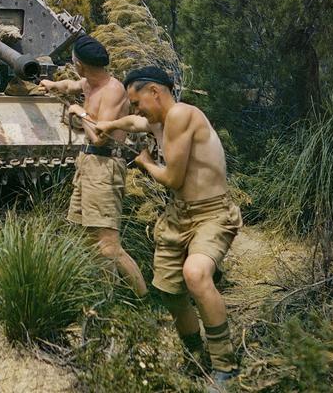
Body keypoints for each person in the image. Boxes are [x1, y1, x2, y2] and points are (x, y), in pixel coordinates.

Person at [95, 65, 242, 390]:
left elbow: (173, 178)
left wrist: (146, 162)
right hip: (179, 216)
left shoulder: (181, 116)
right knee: (171, 291)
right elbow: (136, 122)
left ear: (155, 93)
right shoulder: (160, 120)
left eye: (137, 101)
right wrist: (111, 123)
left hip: (212, 215)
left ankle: (226, 367)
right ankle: (195, 357)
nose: (136, 109)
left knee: (195, 275)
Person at [38, 36, 148, 297]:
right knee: (87, 238)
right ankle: (105, 297)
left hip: (104, 163)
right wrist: (53, 84)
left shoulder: (112, 90)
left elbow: (101, 136)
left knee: (109, 245)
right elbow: (71, 85)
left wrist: (81, 113)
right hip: (88, 164)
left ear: (80, 64)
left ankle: (144, 299)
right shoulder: (89, 82)